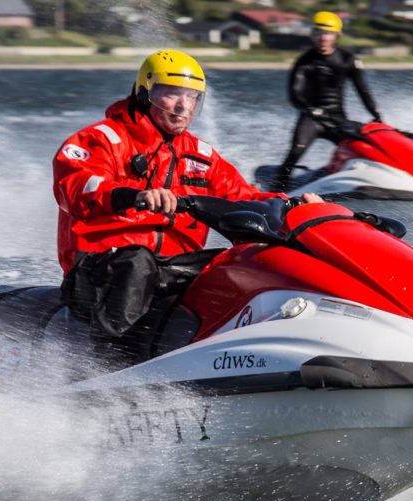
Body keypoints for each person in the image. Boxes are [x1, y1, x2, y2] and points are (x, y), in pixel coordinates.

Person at [53, 50, 322, 337]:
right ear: (145, 93)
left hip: (168, 269)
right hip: (99, 268)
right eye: (171, 94)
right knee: (136, 260)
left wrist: (294, 205)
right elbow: (76, 186)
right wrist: (135, 195)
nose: (183, 106)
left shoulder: (200, 154)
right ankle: (103, 363)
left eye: (192, 97)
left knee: (245, 260)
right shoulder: (100, 139)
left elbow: (243, 196)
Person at [274, 12, 383, 192]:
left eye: (328, 33)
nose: (323, 37)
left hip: (337, 119)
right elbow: (295, 95)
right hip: (312, 119)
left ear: (336, 36)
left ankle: (374, 182)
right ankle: (276, 191)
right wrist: (311, 110)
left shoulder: (347, 60)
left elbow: (363, 91)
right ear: (313, 35)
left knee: (364, 145)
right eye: (319, 33)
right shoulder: (304, 62)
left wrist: (377, 115)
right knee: (295, 152)